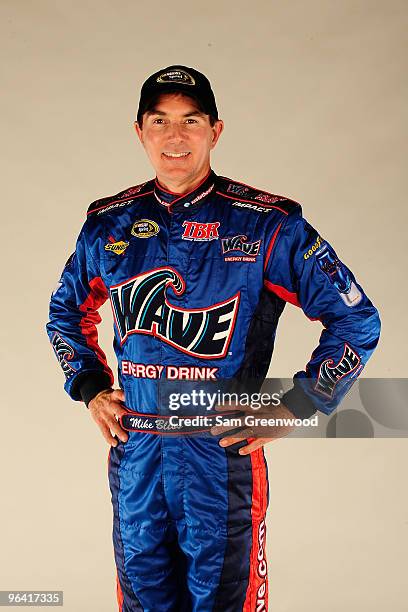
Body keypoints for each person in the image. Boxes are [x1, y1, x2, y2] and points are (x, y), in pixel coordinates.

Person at [46, 65, 381, 612]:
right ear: (140, 131)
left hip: (220, 456)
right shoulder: (108, 226)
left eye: (191, 121)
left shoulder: (267, 225)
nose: (175, 137)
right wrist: (89, 386)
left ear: (215, 131)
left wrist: (298, 405)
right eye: (160, 121)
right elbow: (66, 313)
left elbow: (357, 320)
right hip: (137, 454)